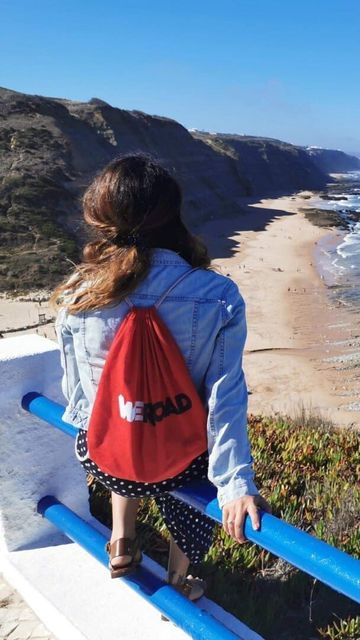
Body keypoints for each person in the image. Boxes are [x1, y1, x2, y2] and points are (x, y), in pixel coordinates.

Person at [52, 154, 268, 600]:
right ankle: (181, 579)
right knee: (188, 469)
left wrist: (93, 428)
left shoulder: (78, 292)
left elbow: (78, 394)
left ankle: (122, 541)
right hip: (178, 458)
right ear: (171, 213)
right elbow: (224, 398)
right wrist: (235, 484)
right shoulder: (217, 294)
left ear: (102, 216)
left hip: (106, 457)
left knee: (123, 428)